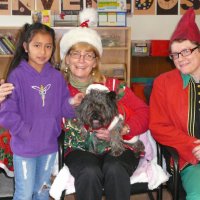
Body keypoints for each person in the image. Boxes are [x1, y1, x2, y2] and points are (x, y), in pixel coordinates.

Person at [50, 20, 149, 200]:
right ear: (66, 59)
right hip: (80, 149)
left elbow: (143, 111)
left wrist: (124, 130)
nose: (81, 60)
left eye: (88, 55)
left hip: (118, 146)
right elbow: (47, 124)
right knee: (89, 172)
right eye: (75, 54)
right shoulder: (57, 89)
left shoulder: (112, 86)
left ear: (95, 62)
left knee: (115, 168)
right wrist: (67, 107)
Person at [0, 22, 82, 200]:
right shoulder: (17, 75)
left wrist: (73, 103)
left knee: (43, 190)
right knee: (24, 193)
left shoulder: (57, 77)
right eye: (37, 45)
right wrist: (24, 132)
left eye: (48, 46)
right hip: (25, 147)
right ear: (26, 47)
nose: (43, 51)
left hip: (49, 146)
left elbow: (63, 108)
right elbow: (7, 112)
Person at [149, 8, 200, 200]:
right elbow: (158, 126)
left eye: (186, 51)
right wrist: (193, 146)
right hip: (191, 160)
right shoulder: (164, 83)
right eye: (175, 54)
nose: (180, 59)